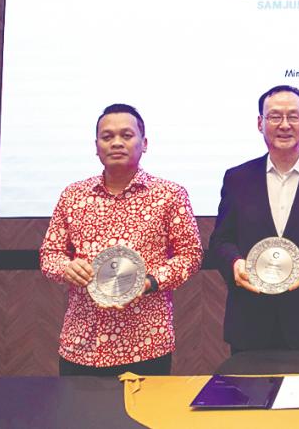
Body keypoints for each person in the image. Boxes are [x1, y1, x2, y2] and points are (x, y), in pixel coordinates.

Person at [40, 103, 202, 376]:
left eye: (126, 135)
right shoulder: (73, 195)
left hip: (146, 344)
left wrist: (149, 281)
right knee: (80, 418)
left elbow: (190, 256)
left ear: (144, 143)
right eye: (107, 137)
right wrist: (66, 268)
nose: (116, 142)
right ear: (96, 146)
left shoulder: (170, 195)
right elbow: (50, 255)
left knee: (143, 420)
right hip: (81, 343)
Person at [208, 85, 299, 372]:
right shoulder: (237, 178)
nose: (285, 125)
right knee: (249, 411)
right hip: (249, 319)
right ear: (260, 123)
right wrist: (235, 263)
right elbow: (221, 240)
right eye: (275, 116)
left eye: (293, 116)